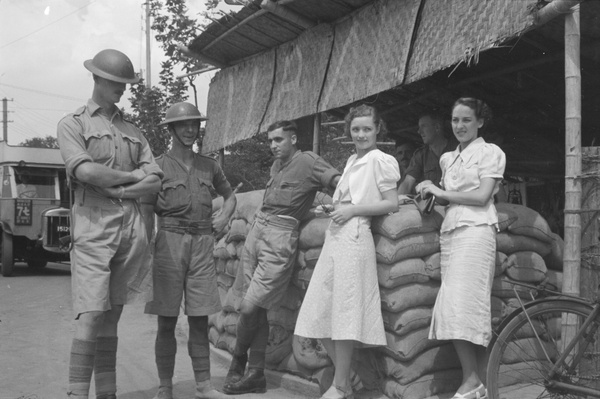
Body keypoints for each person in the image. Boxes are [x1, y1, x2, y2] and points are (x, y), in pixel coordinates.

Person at [57, 49, 164, 399]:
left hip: (131, 226)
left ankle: (107, 393)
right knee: (90, 314)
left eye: (126, 83)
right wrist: (131, 177)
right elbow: (85, 171)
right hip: (93, 222)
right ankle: (76, 395)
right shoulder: (73, 123)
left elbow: (154, 180)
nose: (123, 89)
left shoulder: (133, 130)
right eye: (118, 82)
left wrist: (119, 184)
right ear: (98, 79)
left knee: (113, 316)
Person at [222, 120, 341, 395]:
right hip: (257, 232)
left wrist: (343, 207)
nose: (274, 145)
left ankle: (238, 360)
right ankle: (256, 373)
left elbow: (339, 183)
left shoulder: (310, 161)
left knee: (250, 308)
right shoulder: (276, 165)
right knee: (256, 307)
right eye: (271, 141)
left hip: (279, 238)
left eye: (279, 139)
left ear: (294, 138)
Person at [294, 104, 400, 399]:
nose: (361, 134)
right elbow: (350, 197)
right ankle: (347, 379)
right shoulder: (353, 159)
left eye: (367, 128)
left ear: (378, 128)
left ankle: (340, 385)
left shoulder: (381, 160)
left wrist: (353, 210)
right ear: (348, 132)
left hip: (355, 238)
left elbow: (391, 203)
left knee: (344, 314)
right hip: (335, 238)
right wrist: (334, 208)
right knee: (316, 312)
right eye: (356, 129)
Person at [142, 102, 236, 399]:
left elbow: (230, 196)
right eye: (183, 125)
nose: (189, 130)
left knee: (200, 318)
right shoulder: (156, 166)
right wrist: (146, 246)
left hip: (202, 246)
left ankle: (204, 387)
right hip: (169, 243)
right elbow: (145, 209)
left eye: (194, 124)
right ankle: (165, 387)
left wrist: (225, 215)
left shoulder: (210, 165)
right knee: (166, 321)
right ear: (170, 129)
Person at [415, 98, 506, 399]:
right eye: (455, 120)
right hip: (451, 232)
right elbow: (448, 197)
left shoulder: (490, 153)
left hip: (477, 230)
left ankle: (474, 381)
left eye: (466, 120)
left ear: (480, 122)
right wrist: (428, 194)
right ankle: (475, 381)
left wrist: (440, 190)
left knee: (469, 306)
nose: (460, 126)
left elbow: (481, 196)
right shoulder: (447, 159)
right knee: (452, 308)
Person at [397, 112, 456, 195]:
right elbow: (407, 183)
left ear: (437, 127)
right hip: (430, 206)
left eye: (423, 126)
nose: (419, 131)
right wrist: (398, 201)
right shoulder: (420, 155)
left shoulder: (456, 149)